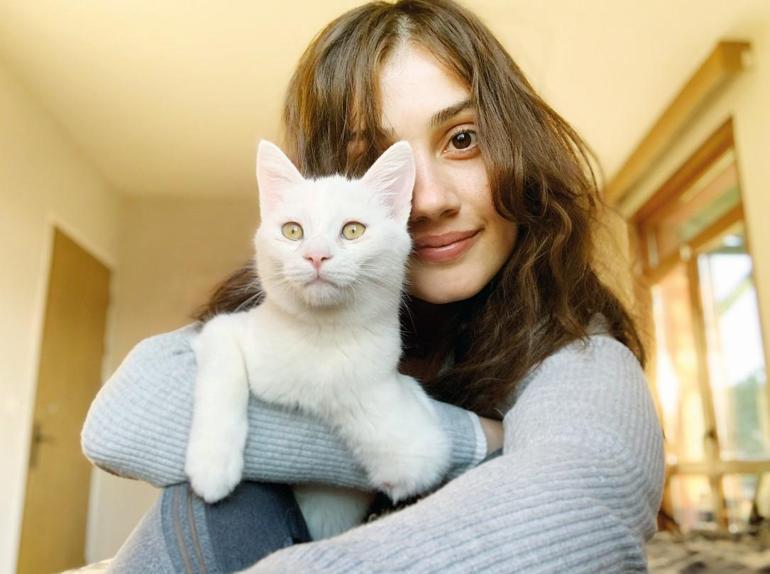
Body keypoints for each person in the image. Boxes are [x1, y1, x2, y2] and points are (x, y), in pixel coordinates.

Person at [81, 1, 665, 572]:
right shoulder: (289, 307)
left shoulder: (581, 361)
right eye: (373, 158)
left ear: (520, 148)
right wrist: (469, 441)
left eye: (463, 139)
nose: (426, 200)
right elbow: (128, 420)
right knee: (216, 497)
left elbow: (577, 508)